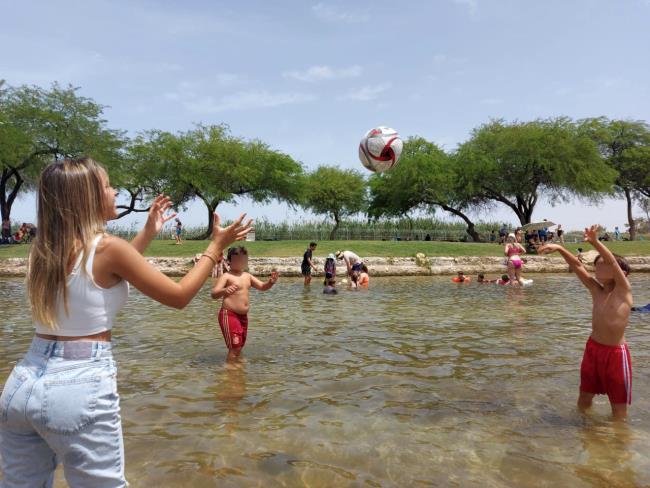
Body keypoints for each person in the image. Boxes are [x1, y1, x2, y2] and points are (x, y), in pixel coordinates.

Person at [0, 158, 252, 486]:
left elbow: (105, 276)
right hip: (76, 385)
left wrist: (148, 233)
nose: (115, 191)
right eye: (107, 185)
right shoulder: (108, 249)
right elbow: (179, 297)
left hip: (21, 386)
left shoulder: (44, 250)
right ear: (88, 197)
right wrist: (216, 246)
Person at [539, 225, 633, 420]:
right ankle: (584, 431)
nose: (598, 267)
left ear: (622, 273)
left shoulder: (623, 291)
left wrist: (595, 242)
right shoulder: (596, 290)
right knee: (584, 398)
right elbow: (578, 266)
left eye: (603, 264)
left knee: (618, 409)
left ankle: (618, 445)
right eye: (597, 265)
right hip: (593, 350)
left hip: (615, 355)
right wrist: (560, 248)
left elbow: (613, 263)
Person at [211, 246, 278, 362]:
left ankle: (238, 371)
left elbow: (262, 287)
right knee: (235, 348)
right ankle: (230, 373)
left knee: (239, 347)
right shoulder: (227, 276)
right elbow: (214, 294)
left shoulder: (247, 276)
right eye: (237, 260)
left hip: (243, 318)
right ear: (229, 261)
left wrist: (270, 283)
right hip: (229, 315)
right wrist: (224, 291)